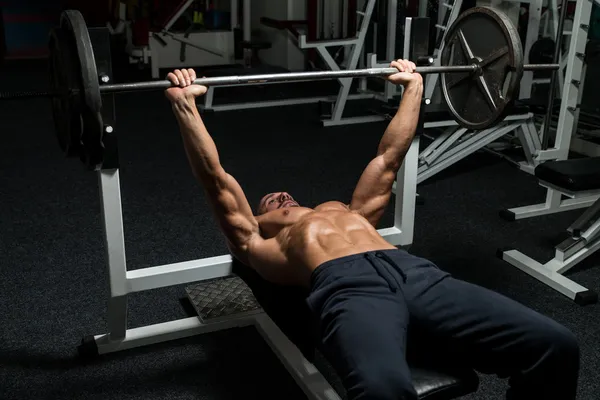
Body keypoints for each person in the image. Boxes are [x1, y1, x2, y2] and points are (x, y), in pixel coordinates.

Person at [165, 61, 579, 400]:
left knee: (555, 345)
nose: (282, 197)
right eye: (271, 203)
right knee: (383, 391)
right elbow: (215, 178)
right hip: (347, 288)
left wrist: (413, 86)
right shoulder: (255, 240)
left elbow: (388, 158)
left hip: (418, 274)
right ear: (257, 223)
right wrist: (186, 106)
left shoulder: (348, 212)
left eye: (286, 195)